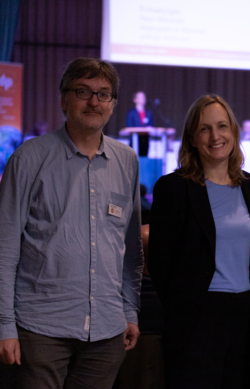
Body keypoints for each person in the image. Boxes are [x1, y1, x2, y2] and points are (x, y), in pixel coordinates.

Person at [0, 57, 144, 388]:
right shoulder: (28, 159)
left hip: (108, 331)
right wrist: (5, 325)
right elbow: (5, 248)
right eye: (83, 91)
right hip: (40, 329)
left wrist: (129, 312)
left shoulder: (126, 161)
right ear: (64, 99)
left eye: (103, 94)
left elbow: (130, 250)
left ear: (112, 104)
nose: (94, 101)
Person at [148, 94, 250, 388]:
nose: (215, 136)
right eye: (205, 128)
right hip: (196, 320)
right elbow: (160, 266)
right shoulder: (173, 188)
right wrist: (185, 313)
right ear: (192, 137)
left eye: (222, 126)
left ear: (234, 132)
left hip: (245, 318)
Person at [126, 91, 154, 156]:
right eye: (140, 97)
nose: (143, 99)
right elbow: (129, 127)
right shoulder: (131, 113)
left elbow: (151, 126)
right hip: (134, 140)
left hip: (145, 141)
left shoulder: (148, 113)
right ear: (135, 100)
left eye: (144, 97)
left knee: (144, 159)